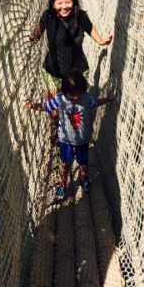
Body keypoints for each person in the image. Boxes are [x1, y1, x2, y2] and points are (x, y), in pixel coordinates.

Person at [25, 70, 114, 201]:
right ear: (65, 92)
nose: (76, 98)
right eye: (72, 96)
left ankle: (83, 177)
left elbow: (95, 102)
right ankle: (62, 183)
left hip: (82, 139)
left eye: (79, 94)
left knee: (83, 161)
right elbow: (46, 107)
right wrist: (33, 105)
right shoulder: (60, 99)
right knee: (64, 162)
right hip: (65, 139)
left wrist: (108, 99)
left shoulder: (86, 98)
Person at [29, 0, 113, 100]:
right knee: (53, 111)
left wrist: (101, 41)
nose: (64, 6)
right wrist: (34, 37)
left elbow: (90, 28)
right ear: (53, 4)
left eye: (68, 2)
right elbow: (38, 32)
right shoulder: (48, 16)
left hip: (77, 73)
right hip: (53, 71)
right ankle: (56, 118)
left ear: (73, 2)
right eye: (60, 3)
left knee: (77, 106)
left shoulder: (80, 16)